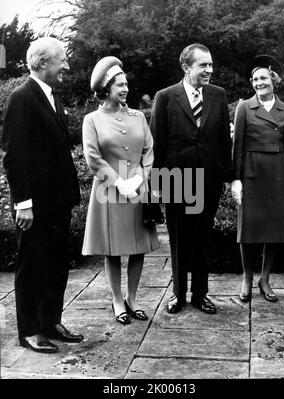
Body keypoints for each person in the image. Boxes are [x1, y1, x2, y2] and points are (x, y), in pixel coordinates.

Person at [2, 37, 83, 353]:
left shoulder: (53, 97)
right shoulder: (21, 99)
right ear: (41, 62)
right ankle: (30, 330)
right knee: (32, 265)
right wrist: (23, 203)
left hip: (58, 202)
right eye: (61, 59)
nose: (66, 65)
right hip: (34, 205)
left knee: (56, 263)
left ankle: (51, 321)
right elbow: (14, 155)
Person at [150, 43, 232, 314]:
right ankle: (178, 294)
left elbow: (223, 141)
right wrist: (158, 183)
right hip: (176, 180)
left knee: (202, 239)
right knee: (178, 239)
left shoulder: (218, 96)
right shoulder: (165, 97)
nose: (209, 70)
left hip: (208, 180)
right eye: (203, 65)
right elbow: (158, 144)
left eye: (211, 65)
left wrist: (229, 177)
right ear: (186, 68)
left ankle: (200, 294)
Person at [82, 56, 159, 325]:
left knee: (138, 247)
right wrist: (118, 181)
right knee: (112, 249)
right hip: (109, 191)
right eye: (119, 85)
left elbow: (149, 149)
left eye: (126, 84)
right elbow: (92, 157)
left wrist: (139, 177)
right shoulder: (92, 120)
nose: (125, 89)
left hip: (138, 189)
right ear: (106, 88)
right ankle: (117, 300)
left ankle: (133, 298)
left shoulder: (138, 116)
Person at [232, 55, 284, 303]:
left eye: (264, 78)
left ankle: (265, 278)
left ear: (273, 80)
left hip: (278, 172)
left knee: (275, 229)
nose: (260, 83)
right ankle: (247, 277)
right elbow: (236, 145)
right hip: (252, 170)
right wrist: (236, 179)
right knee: (248, 230)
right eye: (255, 79)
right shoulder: (244, 107)